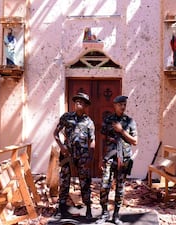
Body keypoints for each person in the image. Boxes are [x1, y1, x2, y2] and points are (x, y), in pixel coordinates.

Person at [96, 95, 138, 225]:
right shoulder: (108, 120)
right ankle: (104, 213)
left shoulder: (130, 122)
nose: (123, 107)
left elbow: (135, 141)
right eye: (120, 104)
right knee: (104, 186)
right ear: (114, 105)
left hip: (123, 159)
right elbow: (101, 139)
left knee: (120, 189)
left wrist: (122, 131)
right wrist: (100, 158)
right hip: (109, 158)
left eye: (124, 104)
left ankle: (116, 215)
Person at [53, 92, 95, 219]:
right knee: (64, 181)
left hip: (82, 156)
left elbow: (92, 140)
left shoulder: (89, 122)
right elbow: (55, 133)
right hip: (67, 155)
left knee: (85, 182)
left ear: (86, 105)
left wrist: (90, 157)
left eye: (81, 101)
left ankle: (88, 209)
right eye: (76, 100)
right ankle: (61, 209)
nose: (78, 103)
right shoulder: (66, 117)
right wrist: (62, 146)